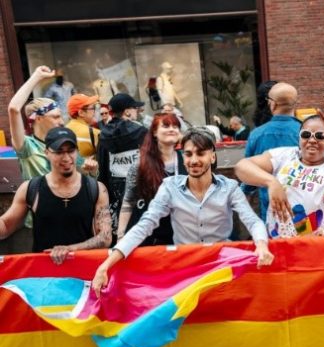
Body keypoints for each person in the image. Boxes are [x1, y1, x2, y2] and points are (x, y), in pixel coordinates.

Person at [91, 128, 273, 297]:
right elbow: (145, 225)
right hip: (185, 268)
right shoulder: (170, 187)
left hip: (221, 264)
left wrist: (262, 244)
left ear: (212, 157)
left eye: (200, 153)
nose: (193, 160)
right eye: (188, 154)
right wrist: (106, 264)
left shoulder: (230, 187)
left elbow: (252, 221)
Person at [235, 103, 324, 238]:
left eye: (320, 136)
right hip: (280, 245)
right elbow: (241, 167)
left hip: (320, 249)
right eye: (306, 134)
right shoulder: (285, 156)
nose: (312, 140)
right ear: (299, 138)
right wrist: (271, 182)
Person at [8, 66, 98, 250]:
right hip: (40, 223)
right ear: (38, 119)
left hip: (72, 220)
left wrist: (92, 170)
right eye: (56, 116)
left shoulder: (65, 145)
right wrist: (36, 77)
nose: (61, 121)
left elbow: (84, 179)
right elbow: (14, 109)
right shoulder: (28, 147)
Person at [0, 127, 112, 262]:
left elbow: (105, 237)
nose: (66, 158)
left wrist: (71, 249)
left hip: (83, 271)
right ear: (46, 153)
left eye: (71, 151)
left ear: (77, 152)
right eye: (59, 152)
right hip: (44, 275)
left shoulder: (96, 189)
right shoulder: (31, 189)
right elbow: (6, 226)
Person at [117, 113, 186, 245]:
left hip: (178, 237)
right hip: (148, 239)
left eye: (175, 126)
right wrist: (121, 237)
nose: (172, 129)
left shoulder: (187, 161)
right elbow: (128, 201)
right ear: (154, 132)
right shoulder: (140, 165)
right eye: (166, 126)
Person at [245, 82, 301, 220]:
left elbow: (248, 175)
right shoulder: (306, 133)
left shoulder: (257, 134)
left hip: (270, 210)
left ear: (273, 104)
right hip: (305, 209)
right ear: (295, 104)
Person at [97, 93, 148, 239]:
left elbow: (103, 168)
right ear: (127, 111)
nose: (137, 112)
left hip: (116, 195)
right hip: (142, 193)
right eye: (135, 108)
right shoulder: (141, 132)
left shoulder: (103, 135)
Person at [66, 93, 100, 158]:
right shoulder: (94, 133)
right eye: (93, 108)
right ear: (81, 113)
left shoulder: (65, 129)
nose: (95, 112)